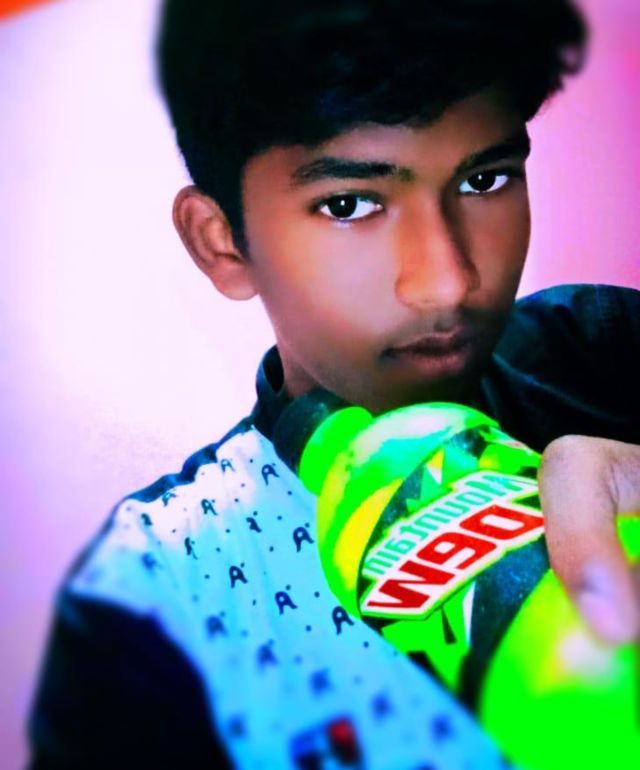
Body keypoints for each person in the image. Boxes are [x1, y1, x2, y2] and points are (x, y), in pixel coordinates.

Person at [27, 1, 640, 768]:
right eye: (349, 204)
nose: (446, 281)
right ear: (222, 243)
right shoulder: (153, 597)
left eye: (485, 179)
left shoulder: (606, 348)